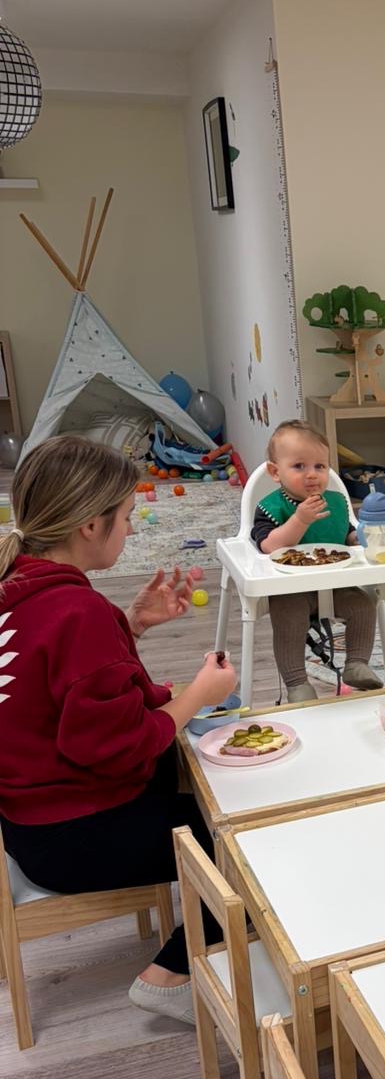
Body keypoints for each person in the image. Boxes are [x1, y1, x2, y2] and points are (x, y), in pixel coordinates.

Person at [0, 436, 238, 1023]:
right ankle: (170, 975)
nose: (131, 529)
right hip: (75, 835)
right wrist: (198, 695)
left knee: (203, 775)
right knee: (247, 848)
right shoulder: (78, 611)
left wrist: (129, 626)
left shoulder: (17, 588)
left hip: (32, 824)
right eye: (127, 516)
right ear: (89, 525)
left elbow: (55, 690)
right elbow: (121, 746)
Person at [251, 420, 382, 703]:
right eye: (299, 466)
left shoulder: (335, 502)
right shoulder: (270, 507)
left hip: (335, 585)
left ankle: (357, 664)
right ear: (275, 472)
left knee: (363, 606)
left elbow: (346, 533)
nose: (312, 474)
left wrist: (361, 538)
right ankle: (297, 683)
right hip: (290, 590)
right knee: (288, 619)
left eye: (320, 466)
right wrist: (300, 519)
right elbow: (268, 546)